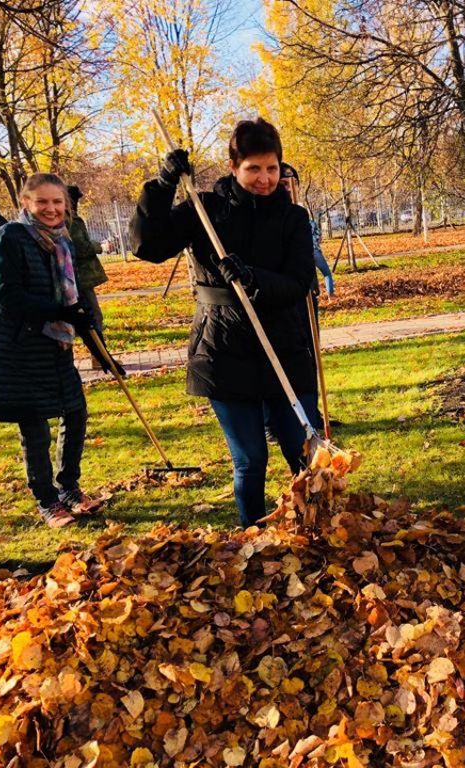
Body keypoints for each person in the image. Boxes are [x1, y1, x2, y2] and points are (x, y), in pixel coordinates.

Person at [130, 118, 318, 526]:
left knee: (305, 451)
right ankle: (251, 537)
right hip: (224, 350)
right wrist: (162, 185)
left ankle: (315, 527)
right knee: (250, 458)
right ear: (233, 167)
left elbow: (299, 281)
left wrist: (252, 278)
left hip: (284, 346)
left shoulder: (293, 218)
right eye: (253, 169)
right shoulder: (206, 210)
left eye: (272, 168)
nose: (265, 179)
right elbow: (148, 245)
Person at [0, 173, 102, 528]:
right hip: (17, 348)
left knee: (75, 412)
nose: (51, 209)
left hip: (54, 345)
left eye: (57, 202)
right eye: (42, 202)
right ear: (26, 204)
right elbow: (9, 295)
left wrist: (84, 323)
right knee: (35, 429)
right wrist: (59, 311)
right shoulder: (11, 236)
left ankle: (69, 489)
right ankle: (47, 500)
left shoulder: (62, 241)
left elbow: (70, 293)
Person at [67, 185, 109, 370]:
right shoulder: (72, 221)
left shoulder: (66, 220)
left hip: (75, 279)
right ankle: (100, 358)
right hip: (80, 279)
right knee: (93, 317)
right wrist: (99, 246)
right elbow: (81, 247)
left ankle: (98, 357)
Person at [279, 163, 334, 297]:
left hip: (307, 289)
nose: (290, 189)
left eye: (293, 183)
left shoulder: (302, 216)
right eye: (283, 184)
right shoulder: (273, 220)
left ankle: (330, 293)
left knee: (326, 272)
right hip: (285, 294)